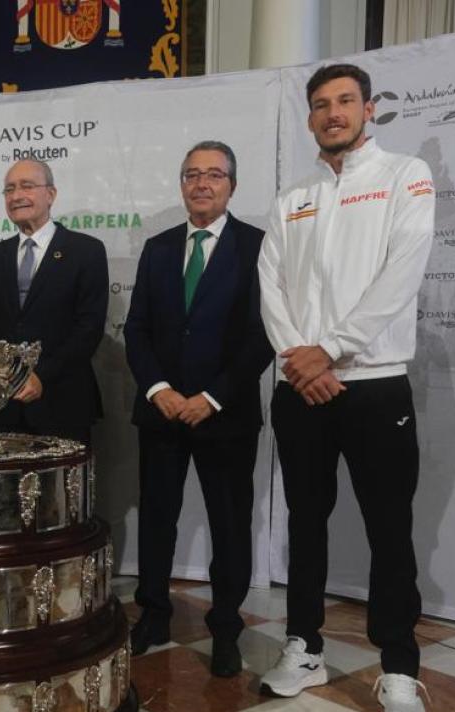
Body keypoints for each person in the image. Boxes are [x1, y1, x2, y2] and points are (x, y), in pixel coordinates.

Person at [257, 63, 435, 712]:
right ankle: (305, 648)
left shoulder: (405, 175)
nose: (333, 113)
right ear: (309, 118)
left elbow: (401, 274)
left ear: (368, 109)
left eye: (345, 102)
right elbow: (270, 284)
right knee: (305, 524)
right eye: (321, 104)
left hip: (374, 382)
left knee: (390, 530)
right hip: (299, 387)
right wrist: (300, 360)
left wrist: (329, 349)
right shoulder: (292, 197)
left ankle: (399, 670)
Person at [123, 141, 273, 676]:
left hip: (225, 414)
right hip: (161, 412)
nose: (202, 184)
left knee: (229, 523)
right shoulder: (159, 247)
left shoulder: (259, 246)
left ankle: (227, 627)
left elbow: (264, 334)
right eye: (192, 174)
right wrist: (159, 388)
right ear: (181, 183)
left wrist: (211, 397)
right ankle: (154, 614)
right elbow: (137, 327)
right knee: (157, 520)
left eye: (214, 175)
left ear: (233, 185)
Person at [0, 159, 109, 444]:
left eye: (27, 186)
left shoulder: (86, 251)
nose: (17, 195)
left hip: (63, 401)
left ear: (51, 194)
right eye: (9, 189)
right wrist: (5, 374)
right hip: (3, 403)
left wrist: (40, 376)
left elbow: (88, 328)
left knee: (60, 490)